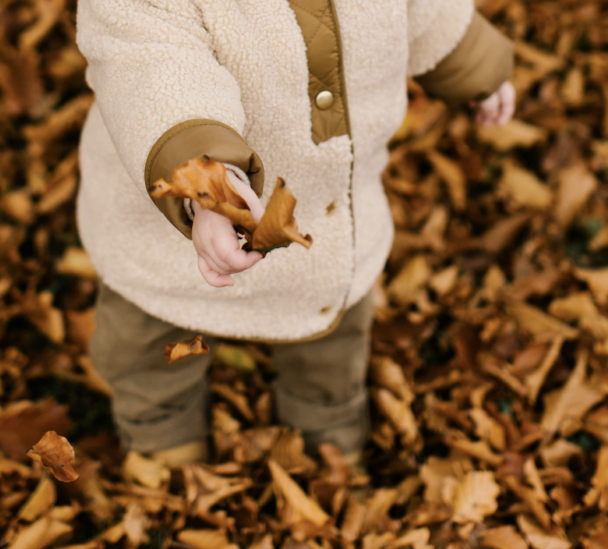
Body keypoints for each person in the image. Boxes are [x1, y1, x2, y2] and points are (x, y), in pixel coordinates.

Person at [75, 0, 515, 467]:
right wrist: (206, 180)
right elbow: (149, 59)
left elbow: (427, 11)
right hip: (175, 213)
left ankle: (325, 423)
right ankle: (161, 433)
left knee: (330, 337)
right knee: (151, 338)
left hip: (322, 214)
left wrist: (473, 67)